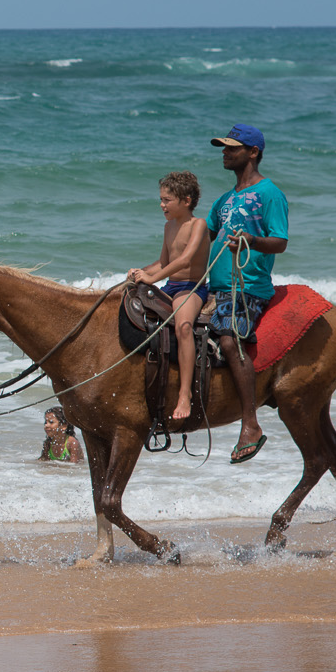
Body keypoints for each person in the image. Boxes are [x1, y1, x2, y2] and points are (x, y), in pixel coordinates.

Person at [202, 124, 288, 464]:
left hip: (246, 287)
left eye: (232, 148)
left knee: (228, 340)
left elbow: (279, 241)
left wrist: (251, 241)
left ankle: (250, 423)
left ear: (252, 152)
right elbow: (202, 238)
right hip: (216, 286)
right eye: (223, 148)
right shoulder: (224, 200)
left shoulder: (270, 194)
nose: (225, 153)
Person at [125, 169, 208, 424]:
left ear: (186, 200)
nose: (162, 205)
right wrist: (141, 272)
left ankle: (185, 394)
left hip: (190, 287)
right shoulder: (168, 226)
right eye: (161, 200)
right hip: (171, 285)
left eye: (167, 200)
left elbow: (184, 259)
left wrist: (152, 279)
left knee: (183, 327)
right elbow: (164, 262)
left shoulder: (198, 225)